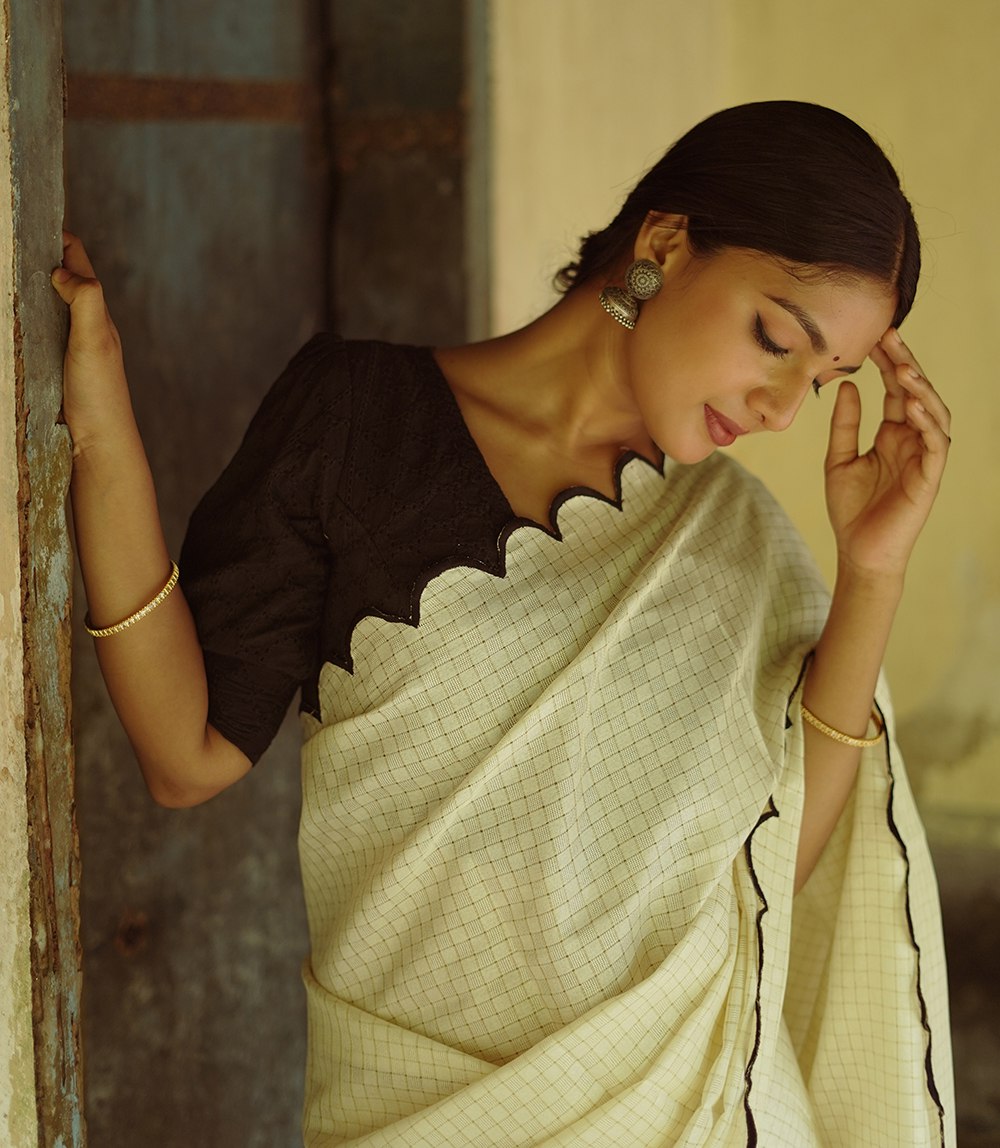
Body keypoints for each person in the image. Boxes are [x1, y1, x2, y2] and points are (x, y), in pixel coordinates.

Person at [54, 101, 954, 1147]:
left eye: (825, 380)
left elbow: (766, 875)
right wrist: (100, 416)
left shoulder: (730, 543)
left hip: (684, 1111)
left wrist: (874, 574)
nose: (783, 408)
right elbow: (186, 754)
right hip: (414, 1108)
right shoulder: (354, 421)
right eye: (775, 340)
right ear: (664, 244)